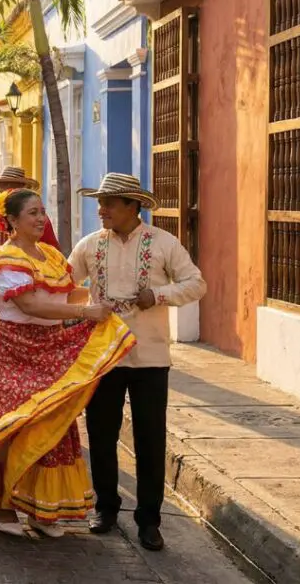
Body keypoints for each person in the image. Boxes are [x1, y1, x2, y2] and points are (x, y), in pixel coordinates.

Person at [0, 188, 135, 538]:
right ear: (12, 222)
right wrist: (84, 311)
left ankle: (39, 509)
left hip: (49, 348)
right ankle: (4, 508)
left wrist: (102, 296)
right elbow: (32, 305)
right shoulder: (4, 258)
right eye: (32, 213)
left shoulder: (49, 255)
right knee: (11, 426)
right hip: (13, 350)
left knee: (52, 423)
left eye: (42, 211)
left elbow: (64, 293)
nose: (40, 219)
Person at [69, 173, 206, 551]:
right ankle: (106, 508)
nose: (101, 210)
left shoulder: (164, 243)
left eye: (109, 203)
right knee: (100, 434)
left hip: (150, 357)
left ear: (133, 206)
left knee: (149, 439)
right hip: (104, 356)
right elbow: (64, 283)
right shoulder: (89, 245)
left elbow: (196, 283)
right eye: (100, 202)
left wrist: (158, 295)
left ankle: (149, 520)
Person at [0, 166, 59, 249]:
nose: (7, 192)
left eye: (12, 189)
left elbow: (52, 248)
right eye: (3, 189)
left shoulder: (39, 217)